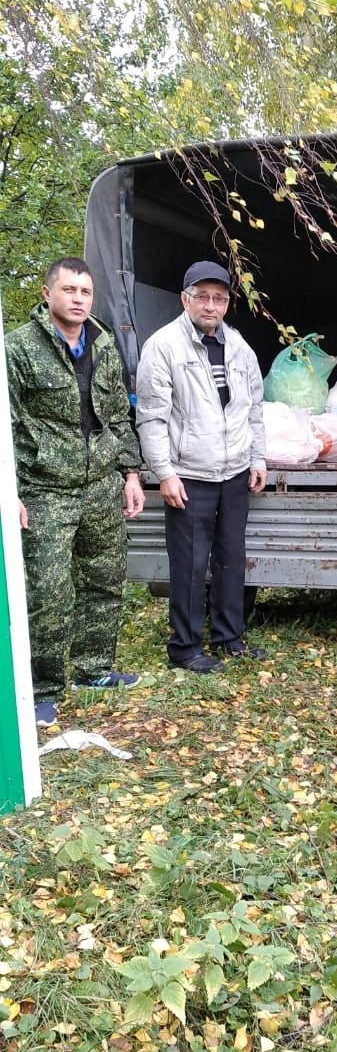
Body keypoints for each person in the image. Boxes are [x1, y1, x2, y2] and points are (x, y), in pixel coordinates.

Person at [6, 257, 145, 727]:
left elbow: (119, 413)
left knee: (104, 582)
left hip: (102, 485)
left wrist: (130, 474)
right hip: (46, 488)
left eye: (85, 292)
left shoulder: (104, 345)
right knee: (47, 592)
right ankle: (42, 687)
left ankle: (94, 669)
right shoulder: (18, 350)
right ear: (48, 294)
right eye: (69, 290)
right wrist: (12, 492)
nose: (78, 299)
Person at [135, 261, 267, 673]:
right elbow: (152, 417)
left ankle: (229, 638)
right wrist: (165, 473)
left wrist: (257, 458)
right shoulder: (164, 346)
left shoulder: (239, 346)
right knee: (190, 563)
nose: (211, 305)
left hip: (234, 473)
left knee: (231, 557)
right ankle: (185, 647)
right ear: (185, 299)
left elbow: (255, 410)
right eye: (203, 297)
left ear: (227, 303)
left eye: (219, 298)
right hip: (189, 473)